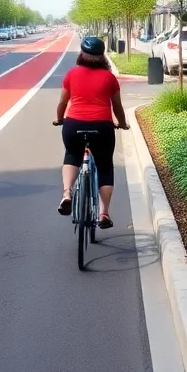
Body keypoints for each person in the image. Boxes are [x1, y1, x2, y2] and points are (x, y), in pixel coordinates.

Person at [53, 36, 129, 228]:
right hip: (102, 127)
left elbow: (62, 102)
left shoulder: (71, 74)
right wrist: (122, 123)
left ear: (82, 54)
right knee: (104, 166)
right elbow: (117, 107)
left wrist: (60, 119)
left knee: (72, 155)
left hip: (73, 125)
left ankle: (67, 194)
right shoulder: (109, 78)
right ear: (102, 56)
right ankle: (104, 213)